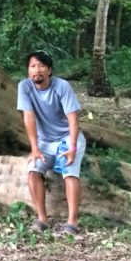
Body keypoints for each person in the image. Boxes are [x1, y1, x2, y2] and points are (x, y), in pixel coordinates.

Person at [17, 50, 86, 236]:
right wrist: (35, 148)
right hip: (45, 142)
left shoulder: (62, 86)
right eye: (32, 66)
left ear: (49, 70)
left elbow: (73, 119)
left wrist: (72, 148)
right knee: (33, 171)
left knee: (69, 172)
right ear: (28, 71)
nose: (36, 70)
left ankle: (72, 222)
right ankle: (42, 219)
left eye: (41, 66)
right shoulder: (24, 87)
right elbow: (29, 118)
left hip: (67, 138)